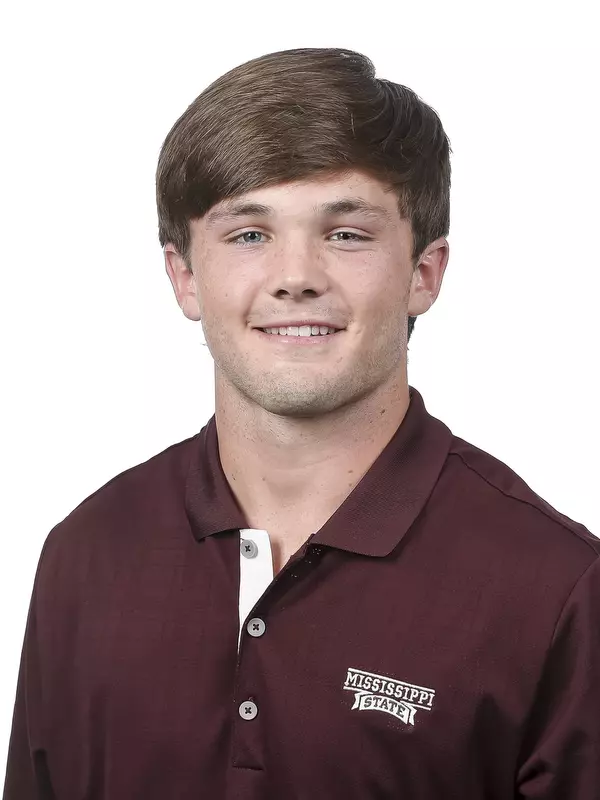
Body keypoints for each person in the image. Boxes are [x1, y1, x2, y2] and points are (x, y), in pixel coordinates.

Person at [3, 46, 599, 800]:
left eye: (346, 234)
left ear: (425, 272)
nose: (296, 276)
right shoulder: (84, 555)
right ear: (184, 276)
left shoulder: (557, 589)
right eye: (249, 234)